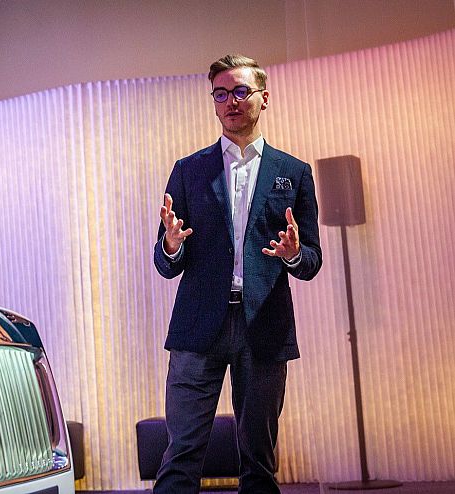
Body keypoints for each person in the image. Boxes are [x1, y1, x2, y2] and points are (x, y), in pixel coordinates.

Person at [152, 54, 322, 494]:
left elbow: (311, 262)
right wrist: (172, 245)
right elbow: (164, 260)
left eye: (242, 91)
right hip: (198, 327)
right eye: (221, 93)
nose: (231, 101)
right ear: (214, 102)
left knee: (259, 461)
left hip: (263, 326)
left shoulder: (294, 173)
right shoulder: (189, 170)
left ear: (264, 99)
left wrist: (292, 254)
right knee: (181, 454)